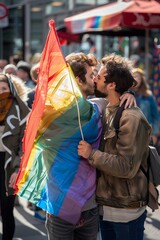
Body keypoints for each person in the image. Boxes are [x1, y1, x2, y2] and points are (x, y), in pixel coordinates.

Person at [45, 52, 136, 240]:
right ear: (78, 80)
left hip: (90, 207)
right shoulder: (53, 113)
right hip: (60, 207)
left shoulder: (98, 106)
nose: (95, 78)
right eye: (91, 74)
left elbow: (116, 94)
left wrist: (128, 93)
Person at [78, 54, 151, 240]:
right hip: (106, 207)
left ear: (111, 85)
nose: (94, 78)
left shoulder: (131, 117)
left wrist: (91, 154)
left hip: (125, 210)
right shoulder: (106, 108)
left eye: (99, 77)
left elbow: (126, 166)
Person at [0, 73, 29, 240]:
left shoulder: (20, 112)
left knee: (6, 209)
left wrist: (17, 169)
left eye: (4, 89)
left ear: (11, 91)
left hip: (8, 165)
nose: (1, 92)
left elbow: (23, 145)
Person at [132, 68, 159, 146]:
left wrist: (154, 133)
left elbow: (156, 116)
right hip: (130, 132)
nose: (135, 78)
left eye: (138, 77)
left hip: (145, 133)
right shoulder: (125, 94)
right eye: (133, 76)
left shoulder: (148, 96)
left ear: (141, 80)